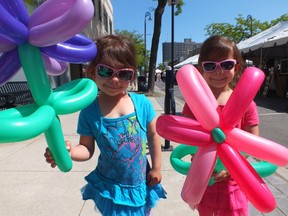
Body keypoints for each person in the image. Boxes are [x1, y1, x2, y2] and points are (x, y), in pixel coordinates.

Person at [44, 34, 166, 216]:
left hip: (141, 183)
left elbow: (153, 135)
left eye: (124, 73)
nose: (115, 79)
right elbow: (86, 148)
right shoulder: (89, 110)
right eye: (105, 71)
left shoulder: (142, 103)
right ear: (92, 72)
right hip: (111, 188)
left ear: (133, 75)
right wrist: (67, 152)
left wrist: (156, 167)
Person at [182, 35, 259, 216]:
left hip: (235, 181)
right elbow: (188, 138)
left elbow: (253, 142)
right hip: (205, 181)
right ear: (201, 69)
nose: (218, 72)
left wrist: (231, 167)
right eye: (210, 66)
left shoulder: (246, 103)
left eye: (226, 65)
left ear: (237, 67)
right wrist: (206, 163)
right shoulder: (193, 103)